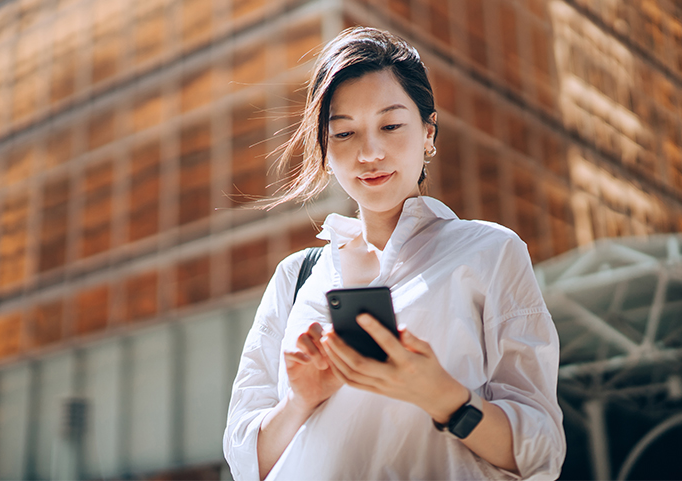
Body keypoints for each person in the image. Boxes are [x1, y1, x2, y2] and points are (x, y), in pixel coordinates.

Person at [223, 26, 566, 480]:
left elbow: (541, 450)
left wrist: (442, 397)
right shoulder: (297, 276)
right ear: (325, 150)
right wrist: (300, 400)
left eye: (390, 126)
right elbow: (247, 461)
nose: (369, 153)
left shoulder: (490, 252)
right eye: (344, 133)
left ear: (428, 132)